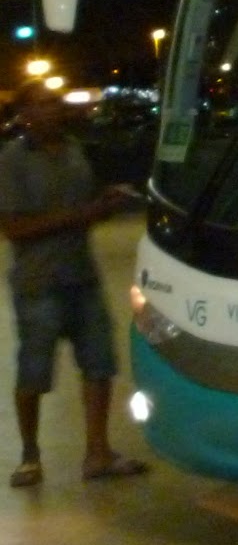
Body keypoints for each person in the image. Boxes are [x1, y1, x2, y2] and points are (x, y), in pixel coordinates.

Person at [0, 82, 148, 488]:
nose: (53, 110)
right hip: (38, 283)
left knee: (99, 365)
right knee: (34, 372)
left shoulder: (74, 150)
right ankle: (30, 456)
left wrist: (107, 201)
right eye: (42, 104)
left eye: (55, 103)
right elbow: (14, 228)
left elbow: (85, 205)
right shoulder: (12, 160)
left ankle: (98, 452)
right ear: (25, 114)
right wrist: (82, 214)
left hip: (81, 277)